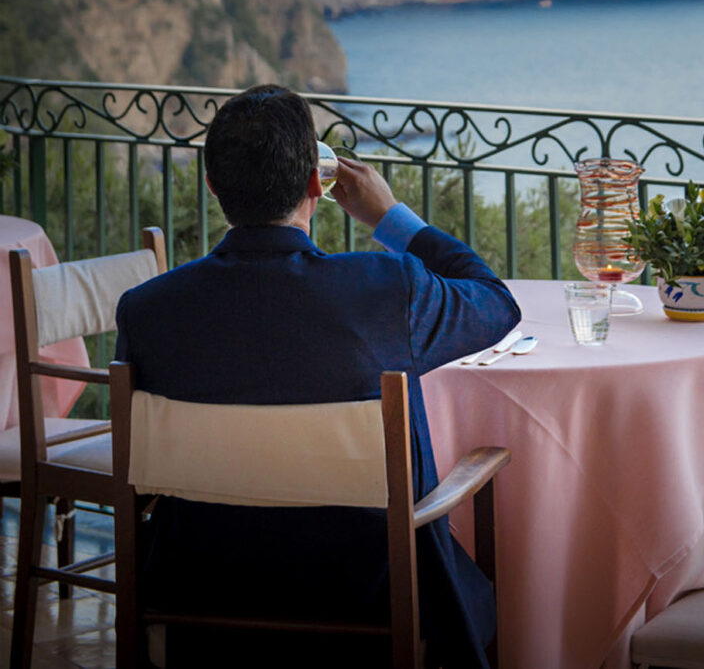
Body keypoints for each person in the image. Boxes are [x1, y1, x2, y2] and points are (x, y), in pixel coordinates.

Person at [115, 83, 520, 668]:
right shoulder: (385, 289)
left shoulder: (147, 310)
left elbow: (145, 476)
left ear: (212, 187)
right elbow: (494, 302)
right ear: (316, 184)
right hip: (372, 594)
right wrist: (390, 217)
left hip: (202, 599)